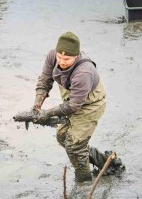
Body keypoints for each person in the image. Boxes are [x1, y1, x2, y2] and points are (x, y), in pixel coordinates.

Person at [32, 31, 124, 182]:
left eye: (66, 59)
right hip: (71, 101)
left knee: (75, 145)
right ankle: (105, 162)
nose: (61, 61)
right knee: (62, 137)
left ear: (76, 56)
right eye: (59, 57)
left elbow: (74, 106)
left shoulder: (84, 71)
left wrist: (47, 113)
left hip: (90, 105)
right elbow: (45, 80)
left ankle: (84, 182)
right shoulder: (52, 56)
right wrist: (37, 105)